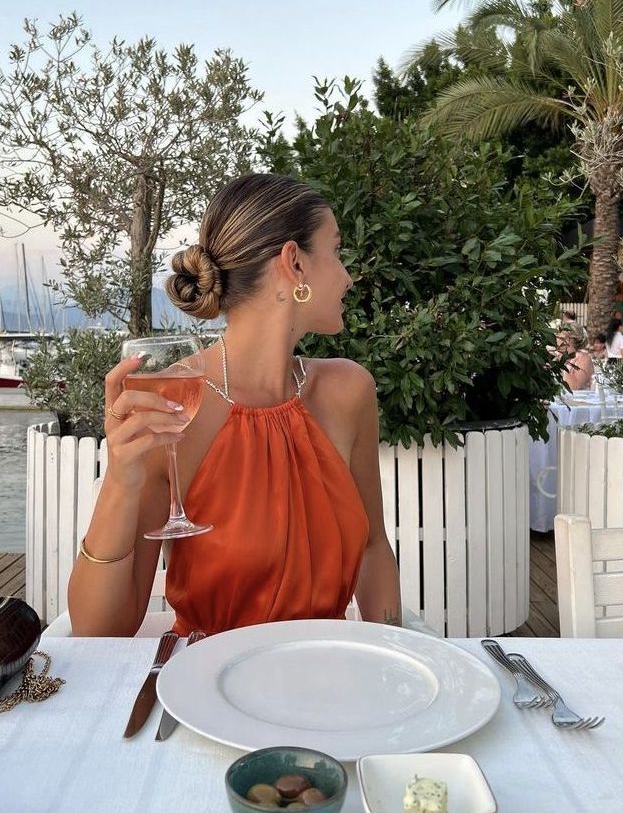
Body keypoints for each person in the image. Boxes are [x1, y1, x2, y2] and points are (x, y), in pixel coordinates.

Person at [68, 173, 401, 636]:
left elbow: (372, 549)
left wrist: (396, 655)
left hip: (328, 683)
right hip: (203, 693)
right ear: (295, 263)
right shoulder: (170, 405)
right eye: (336, 250)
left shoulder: (350, 391)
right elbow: (100, 631)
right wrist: (121, 480)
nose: (347, 275)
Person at [555, 323, 593, 390]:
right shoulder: (555, 355)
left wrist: (563, 362)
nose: (555, 338)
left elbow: (574, 387)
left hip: (577, 399)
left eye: (557, 335)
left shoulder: (583, 358)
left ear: (569, 339)